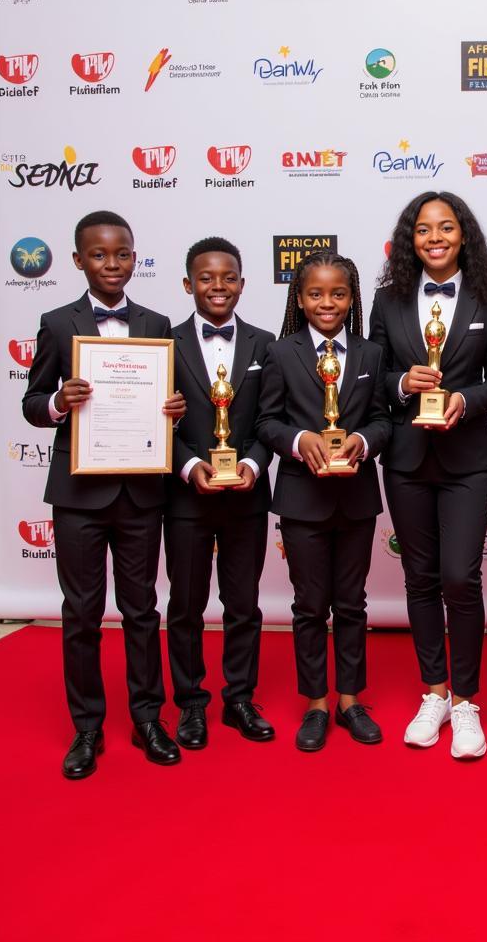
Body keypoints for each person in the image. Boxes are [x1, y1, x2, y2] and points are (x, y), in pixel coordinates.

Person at [21, 210, 186, 778]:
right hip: (78, 495)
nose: (111, 264)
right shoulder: (57, 322)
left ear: (135, 257)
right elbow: (32, 403)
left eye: (121, 255)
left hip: (140, 491)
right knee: (82, 614)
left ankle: (147, 719)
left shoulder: (157, 323)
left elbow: (169, 400)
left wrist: (173, 409)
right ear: (77, 261)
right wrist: (57, 402)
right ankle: (87, 729)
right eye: (98, 255)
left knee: (142, 610)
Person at [369, 190, 487, 759]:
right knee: (420, 578)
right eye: (423, 229)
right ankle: (434, 693)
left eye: (446, 228)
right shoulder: (387, 300)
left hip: (466, 460)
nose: (434, 238)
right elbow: (368, 374)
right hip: (404, 457)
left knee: (461, 577)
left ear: (463, 235)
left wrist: (465, 401)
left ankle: (468, 702)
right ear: (411, 238)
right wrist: (404, 385)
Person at [257, 251, 391, 752]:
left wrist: (364, 441)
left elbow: (382, 419)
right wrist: (297, 442)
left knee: (352, 604)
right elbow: (266, 421)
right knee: (310, 605)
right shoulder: (280, 352)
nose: (326, 302)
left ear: (352, 298)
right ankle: (315, 702)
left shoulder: (370, 354)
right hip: (301, 500)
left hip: (355, 499)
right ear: (299, 298)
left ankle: (350, 699)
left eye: (338, 293)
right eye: (315, 293)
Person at [164, 237, 275, 750]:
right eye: (206, 278)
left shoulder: (265, 343)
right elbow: (158, 422)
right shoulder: (163, 342)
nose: (218, 287)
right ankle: (190, 702)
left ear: (242, 283)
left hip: (246, 495)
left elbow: (271, 419)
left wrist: (252, 462)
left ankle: (239, 698)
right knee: (186, 604)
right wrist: (189, 465)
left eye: (228, 278)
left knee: (243, 602)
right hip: (186, 494)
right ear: (188, 284)